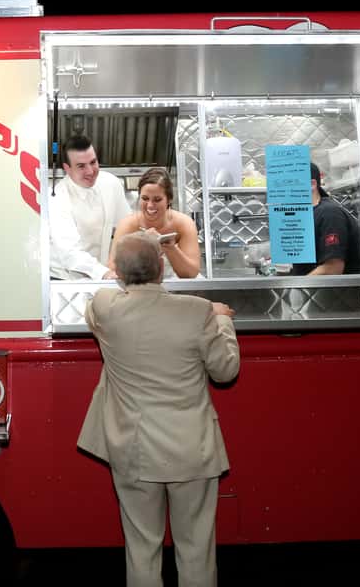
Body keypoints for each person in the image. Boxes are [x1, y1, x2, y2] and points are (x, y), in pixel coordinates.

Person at [77, 232, 240, 587]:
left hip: (132, 450)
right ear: (162, 267)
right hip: (192, 449)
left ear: (119, 272)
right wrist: (222, 320)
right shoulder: (197, 311)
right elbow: (225, 371)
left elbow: (95, 307)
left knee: (141, 549)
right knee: (196, 549)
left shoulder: (106, 307)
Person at [50, 135, 133, 280]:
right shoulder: (57, 198)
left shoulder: (111, 183)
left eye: (93, 162)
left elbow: (127, 226)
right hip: (66, 279)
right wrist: (103, 273)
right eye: (81, 166)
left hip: (104, 275)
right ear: (67, 168)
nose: (90, 171)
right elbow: (70, 253)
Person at [109, 167, 201, 279]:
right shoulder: (128, 224)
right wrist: (141, 246)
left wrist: (171, 248)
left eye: (157, 200)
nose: (150, 205)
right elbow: (113, 269)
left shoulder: (184, 223)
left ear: (169, 200)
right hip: (139, 285)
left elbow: (191, 273)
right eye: (145, 198)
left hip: (177, 286)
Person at [292, 162, 360, 275]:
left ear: (312, 184)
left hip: (334, 287)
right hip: (313, 286)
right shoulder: (307, 216)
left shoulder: (329, 214)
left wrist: (297, 284)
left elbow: (333, 268)